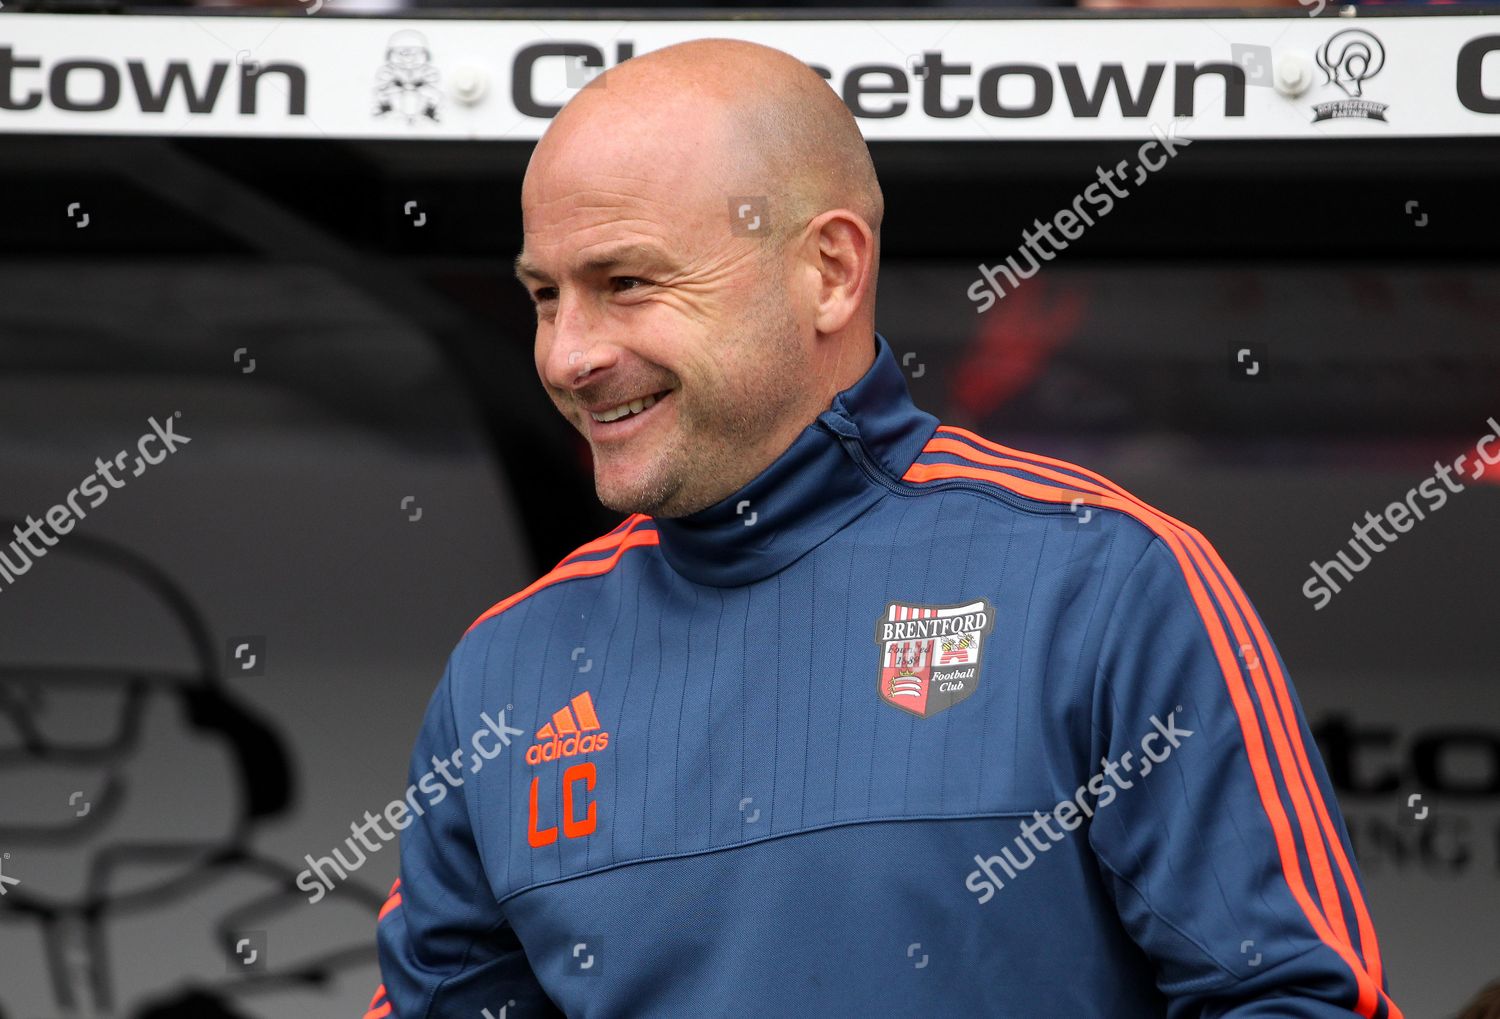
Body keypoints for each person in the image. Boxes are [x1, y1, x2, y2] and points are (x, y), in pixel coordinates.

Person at [369, 38, 1400, 1017]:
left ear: (829, 270)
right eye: (546, 295)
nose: (565, 355)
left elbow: (1289, 993)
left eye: (626, 283)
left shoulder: (1101, 580)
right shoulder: (506, 670)